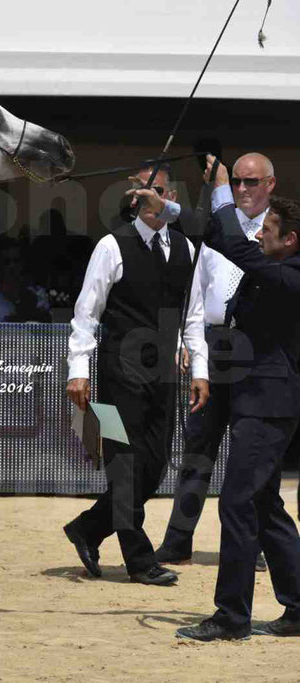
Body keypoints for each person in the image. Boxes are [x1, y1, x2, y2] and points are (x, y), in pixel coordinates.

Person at [62, 164, 209, 586]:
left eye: (156, 191)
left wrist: (199, 368)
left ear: (171, 196)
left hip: (163, 374)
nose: (147, 199)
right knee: (124, 466)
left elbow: (193, 316)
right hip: (115, 373)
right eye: (141, 192)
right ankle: (139, 560)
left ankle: (88, 529)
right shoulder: (111, 246)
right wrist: (78, 370)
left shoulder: (186, 249)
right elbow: (86, 314)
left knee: (155, 466)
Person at [173, 160, 300, 642]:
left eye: (267, 229)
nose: (259, 235)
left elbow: (231, 243)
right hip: (261, 398)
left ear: (288, 240)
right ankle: (298, 606)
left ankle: (232, 617)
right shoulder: (275, 264)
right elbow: (222, 235)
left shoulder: (287, 274)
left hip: (268, 404)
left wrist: (224, 189)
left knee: (237, 501)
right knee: (265, 504)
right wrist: (165, 208)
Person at [156, 153, 277, 569]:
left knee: (255, 452)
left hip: (256, 346)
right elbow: (195, 290)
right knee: (197, 446)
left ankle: (259, 542)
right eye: (238, 182)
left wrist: (220, 185)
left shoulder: (278, 234)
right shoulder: (213, 231)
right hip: (212, 341)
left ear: (270, 185)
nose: (244, 189)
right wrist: (185, 340)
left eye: (252, 182)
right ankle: (177, 541)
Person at [0, 239, 50, 322]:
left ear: (22, 263)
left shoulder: (39, 293)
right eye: (6, 262)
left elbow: (44, 329)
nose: (11, 266)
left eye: (16, 261)